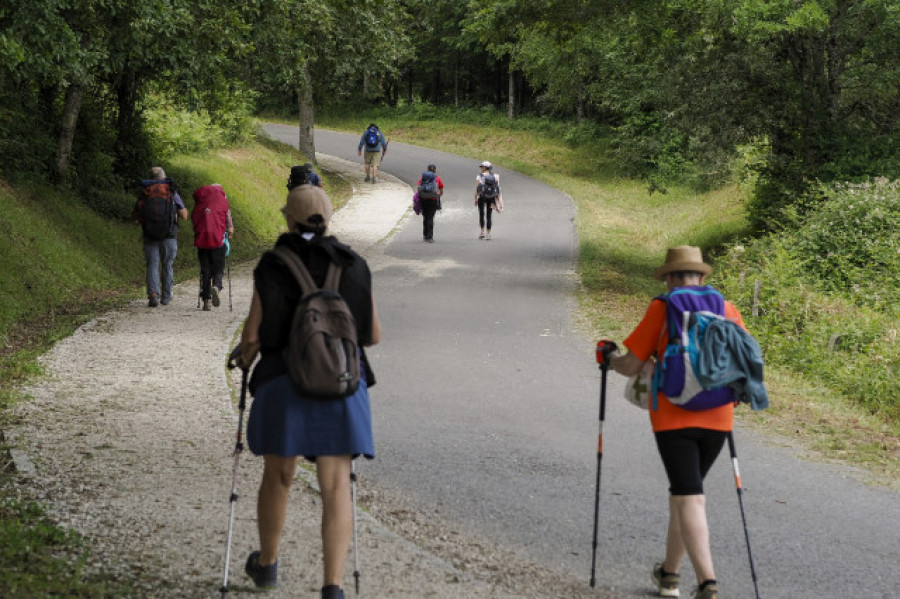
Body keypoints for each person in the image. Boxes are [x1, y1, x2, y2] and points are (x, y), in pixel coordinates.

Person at [231, 184, 381, 599]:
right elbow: (372, 335)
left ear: (288, 220)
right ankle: (332, 587)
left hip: (283, 383)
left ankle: (267, 566)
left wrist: (244, 359)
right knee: (335, 485)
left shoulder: (273, 265)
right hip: (342, 387)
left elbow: (252, 337)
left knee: (278, 477)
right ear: (329, 219)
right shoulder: (354, 265)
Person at [602, 246, 745, 599]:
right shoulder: (725, 308)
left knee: (690, 497)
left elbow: (631, 366)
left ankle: (707, 583)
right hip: (718, 416)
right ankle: (669, 575)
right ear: (701, 276)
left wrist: (608, 357)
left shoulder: (663, 308)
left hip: (672, 416)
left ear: (668, 277)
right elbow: (745, 362)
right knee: (685, 493)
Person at [132, 166, 188, 307]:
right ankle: (166, 296)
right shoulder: (170, 191)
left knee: (152, 265)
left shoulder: (146, 192)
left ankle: (153, 295)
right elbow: (184, 215)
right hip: (169, 234)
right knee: (167, 264)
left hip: (149, 234)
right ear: (164, 177)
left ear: (150, 178)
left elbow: (136, 214)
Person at [191, 184, 234, 311]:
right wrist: (229, 234)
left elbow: (194, 222)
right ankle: (217, 285)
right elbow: (230, 228)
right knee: (218, 268)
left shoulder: (200, 205)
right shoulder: (223, 204)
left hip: (202, 241)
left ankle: (206, 300)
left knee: (205, 270)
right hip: (217, 241)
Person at [474, 161, 503, 240]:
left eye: (482, 167)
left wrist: (475, 198)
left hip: (481, 197)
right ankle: (489, 234)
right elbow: (498, 188)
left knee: (481, 214)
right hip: (491, 197)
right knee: (489, 215)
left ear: (485, 167)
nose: (481, 168)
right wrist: (498, 200)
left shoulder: (479, 176)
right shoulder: (495, 176)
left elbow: (476, 188)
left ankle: (482, 232)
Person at [416, 163, 444, 243]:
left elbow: (418, 187)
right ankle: (430, 237)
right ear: (435, 170)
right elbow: (441, 190)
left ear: (427, 169)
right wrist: (438, 196)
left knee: (425, 216)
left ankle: (425, 235)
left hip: (423, 199)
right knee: (430, 217)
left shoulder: (423, 178)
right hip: (433, 199)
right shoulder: (437, 178)